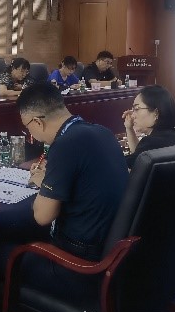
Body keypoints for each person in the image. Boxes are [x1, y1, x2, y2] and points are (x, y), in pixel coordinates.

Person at [19, 83, 128, 260]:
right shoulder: (103, 132)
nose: (31, 134)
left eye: (27, 127)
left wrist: (44, 184)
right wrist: (49, 178)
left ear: (38, 122)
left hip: (78, 256)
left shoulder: (64, 145)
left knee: (3, 243)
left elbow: (42, 217)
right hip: (111, 248)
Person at [121, 85, 175, 168]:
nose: (132, 115)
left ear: (155, 113)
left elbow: (123, 166)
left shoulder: (151, 143)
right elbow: (138, 154)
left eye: (136, 109)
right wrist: (129, 128)